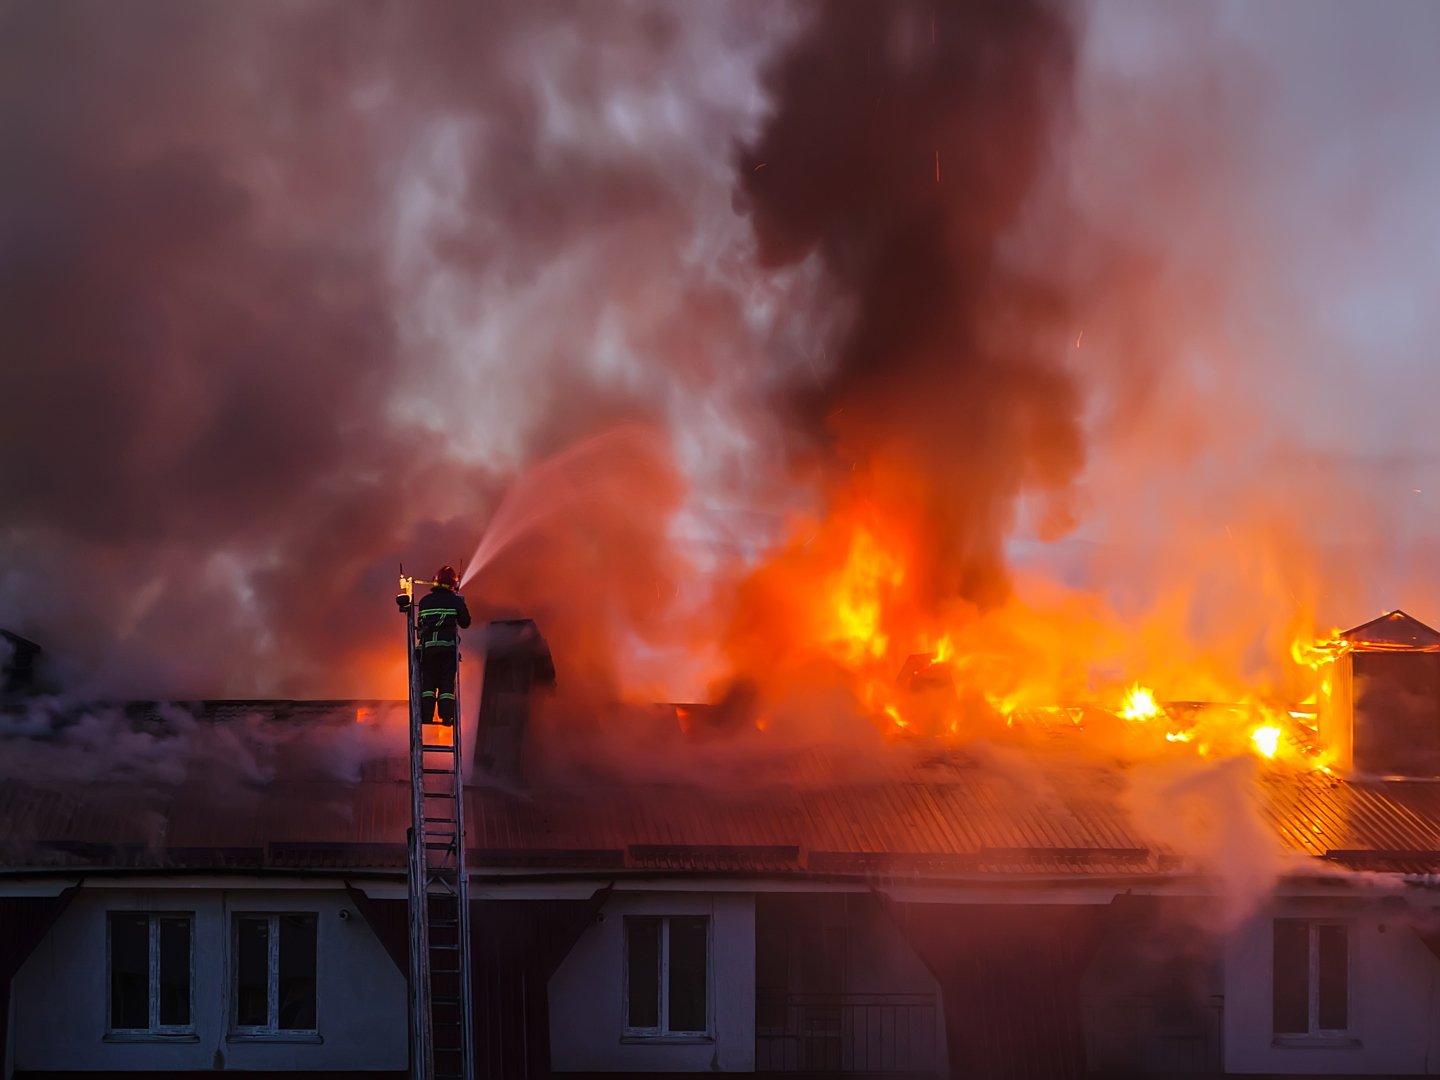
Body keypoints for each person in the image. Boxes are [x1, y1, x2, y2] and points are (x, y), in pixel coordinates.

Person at [416, 565, 471, 726]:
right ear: (453, 584)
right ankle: (447, 717)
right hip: (447, 649)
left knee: (428, 685)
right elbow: (466, 623)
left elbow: (420, 626)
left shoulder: (424, 602)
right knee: (446, 685)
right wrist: (459, 603)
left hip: (428, 650)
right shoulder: (455, 601)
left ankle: (426, 716)